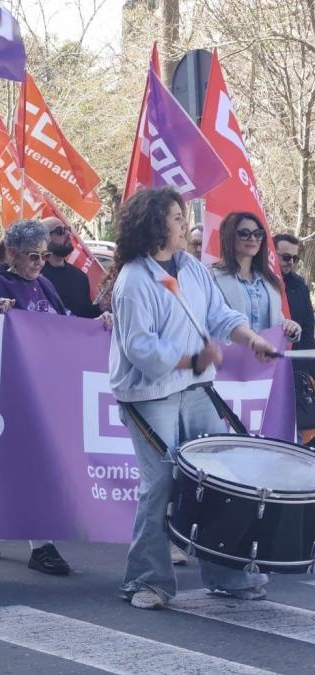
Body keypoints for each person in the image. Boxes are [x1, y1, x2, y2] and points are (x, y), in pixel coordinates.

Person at [110, 187, 276, 610]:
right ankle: (147, 580)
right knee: (162, 484)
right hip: (150, 396)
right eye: (177, 218)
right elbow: (142, 351)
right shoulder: (133, 281)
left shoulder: (193, 269)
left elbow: (220, 315)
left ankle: (228, 575)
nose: (186, 225)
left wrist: (251, 339)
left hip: (196, 390)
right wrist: (193, 359)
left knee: (221, 480)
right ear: (155, 226)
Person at [0, 219, 114, 575]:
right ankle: (39, 544)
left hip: (47, 390)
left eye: (44, 256)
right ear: (13, 254)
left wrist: (98, 323)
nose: (39, 263)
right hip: (12, 390)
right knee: (27, 466)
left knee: (28, 466)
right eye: (33, 256)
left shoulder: (46, 284)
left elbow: (65, 324)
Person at [210, 212, 301, 342]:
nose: (252, 238)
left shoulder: (271, 280)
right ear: (229, 236)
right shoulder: (210, 277)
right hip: (227, 353)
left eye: (258, 234)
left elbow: (276, 322)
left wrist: (290, 327)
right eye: (244, 233)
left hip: (267, 354)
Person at [276, 233, 315, 442]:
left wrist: (308, 372)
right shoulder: (258, 282)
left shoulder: (300, 287)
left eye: (294, 258)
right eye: (285, 257)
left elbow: (308, 331)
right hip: (265, 367)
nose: (290, 262)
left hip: (294, 371)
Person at [41, 217, 102, 318]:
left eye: (67, 229)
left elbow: (86, 315)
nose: (68, 234)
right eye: (60, 231)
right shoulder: (34, 277)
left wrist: (102, 307)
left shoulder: (80, 277)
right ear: (44, 240)